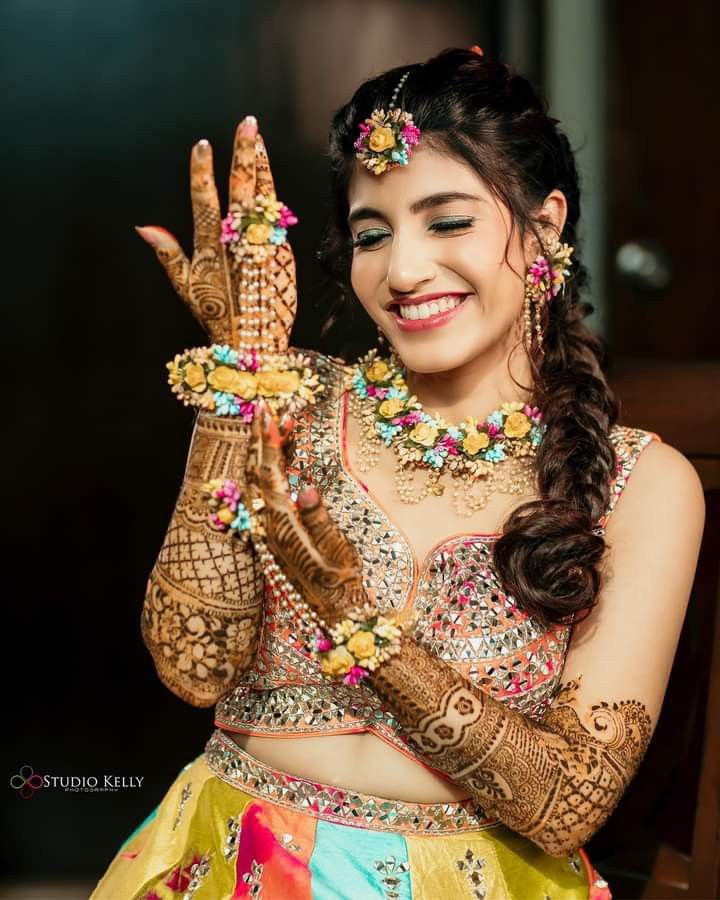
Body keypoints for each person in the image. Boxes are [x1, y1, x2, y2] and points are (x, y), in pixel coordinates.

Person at [90, 47, 705, 900]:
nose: (403, 271)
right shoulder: (288, 395)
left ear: (547, 224)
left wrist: (355, 620)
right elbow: (192, 665)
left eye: (447, 221)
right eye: (372, 234)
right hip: (233, 861)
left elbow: (568, 803)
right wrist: (242, 378)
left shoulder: (641, 483)